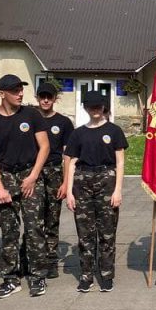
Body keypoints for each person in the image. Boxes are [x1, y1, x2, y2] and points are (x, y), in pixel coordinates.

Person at [0, 74, 51, 299]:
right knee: (9, 231)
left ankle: (37, 276)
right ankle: (10, 278)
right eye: (14, 90)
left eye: (21, 89)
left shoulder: (31, 115)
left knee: (34, 228)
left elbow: (45, 147)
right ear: (2, 94)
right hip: (6, 177)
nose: (20, 94)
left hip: (30, 175)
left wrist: (33, 176)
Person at [65, 91, 127, 292]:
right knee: (85, 234)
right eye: (91, 107)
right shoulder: (78, 133)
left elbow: (120, 162)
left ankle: (107, 275)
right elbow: (71, 163)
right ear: (85, 108)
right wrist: (69, 192)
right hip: (82, 182)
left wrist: (118, 190)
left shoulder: (114, 131)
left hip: (106, 181)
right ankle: (86, 275)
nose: (95, 110)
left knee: (107, 233)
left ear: (103, 106)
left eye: (98, 106)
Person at [33, 82, 73, 279]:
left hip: (55, 172)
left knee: (52, 218)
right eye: (42, 96)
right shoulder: (30, 119)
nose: (46, 100)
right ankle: (34, 258)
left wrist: (65, 182)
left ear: (55, 98)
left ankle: (50, 260)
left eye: (49, 97)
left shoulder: (63, 122)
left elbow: (68, 155)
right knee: (33, 217)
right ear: (37, 98)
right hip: (34, 172)